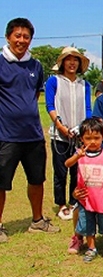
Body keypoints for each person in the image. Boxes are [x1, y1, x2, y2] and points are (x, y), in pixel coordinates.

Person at [0, 17, 59, 242]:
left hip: (33, 135)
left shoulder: (35, 66)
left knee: (37, 180)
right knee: (1, 182)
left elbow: (34, 96)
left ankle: (37, 221)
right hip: (5, 135)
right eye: (18, 36)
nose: (22, 40)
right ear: (8, 37)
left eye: (26, 37)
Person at [45, 46, 92, 220]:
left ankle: (73, 202)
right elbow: (50, 105)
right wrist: (60, 125)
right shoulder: (54, 81)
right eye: (68, 59)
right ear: (62, 62)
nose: (72, 63)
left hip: (79, 135)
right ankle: (61, 204)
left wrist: (82, 129)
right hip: (60, 134)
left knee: (76, 171)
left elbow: (88, 108)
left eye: (75, 59)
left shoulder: (84, 84)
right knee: (60, 171)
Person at [64, 118, 103, 262]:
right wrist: (77, 156)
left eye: (96, 138)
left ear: (102, 137)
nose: (92, 141)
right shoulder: (79, 154)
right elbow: (67, 164)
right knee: (88, 224)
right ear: (81, 139)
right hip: (86, 198)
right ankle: (91, 247)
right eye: (88, 138)